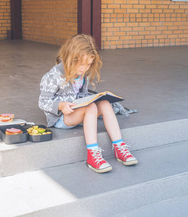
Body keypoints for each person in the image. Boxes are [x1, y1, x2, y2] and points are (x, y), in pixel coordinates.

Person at [39, 34, 138, 173]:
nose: (84, 68)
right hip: (61, 117)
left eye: (88, 65)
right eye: (81, 64)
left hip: (80, 111)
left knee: (104, 103)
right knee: (91, 106)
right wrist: (61, 105)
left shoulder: (81, 74)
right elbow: (43, 101)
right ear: (70, 57)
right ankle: (92, 155)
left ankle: (119, 147)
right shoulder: (53, 75)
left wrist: (93, 98)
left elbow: (81, 96)